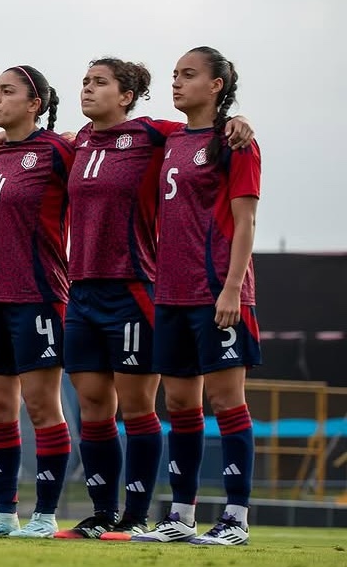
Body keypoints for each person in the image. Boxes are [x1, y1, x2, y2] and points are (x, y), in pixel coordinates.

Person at [55, 59, 254, 540]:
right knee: (161, 404)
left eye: (99, 82)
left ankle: (228, 518)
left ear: (126, 96)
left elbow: (243, 215)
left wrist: (238, 119)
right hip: (139, 291)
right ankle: (157, 516)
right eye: (84, 81)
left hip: (146, 288)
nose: (87, 88)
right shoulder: (80, 141)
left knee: (207, 403)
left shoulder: (158, 135)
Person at [134, 46, 261, 546]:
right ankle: (180, 515)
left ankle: (235, 518)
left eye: (189, 75)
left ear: (217, 86)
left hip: (218, 293)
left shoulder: (237, 142)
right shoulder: (169, 139)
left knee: (228, 402)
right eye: (174, 75)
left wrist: (231, 288)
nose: (177, 82)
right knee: (181, 405)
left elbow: (246, 221)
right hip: (171, 294)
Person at [0, 65, 74, 538]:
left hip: (38, 296)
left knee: (43, 408)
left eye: (8, 91)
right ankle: (4, 515)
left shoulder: (58, 150)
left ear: (35, 104)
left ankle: (45, 515)